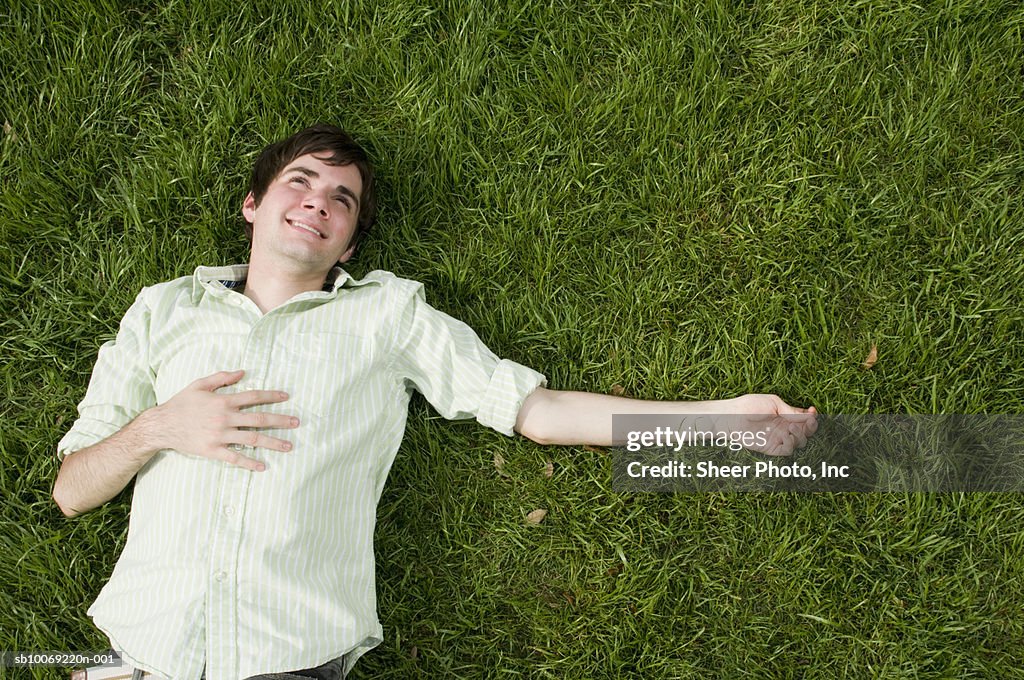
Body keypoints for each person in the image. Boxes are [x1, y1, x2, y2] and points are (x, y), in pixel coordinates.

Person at [53, 124, 817, 680]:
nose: (318, 203)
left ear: (349, 245)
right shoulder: (163, 311)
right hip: (135, 651)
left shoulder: (388, 317)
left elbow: (535, 411)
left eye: (341, 200)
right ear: (253, 204)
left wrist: (720, 421)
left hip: (284, 657)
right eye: (300, 182)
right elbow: (71, 492)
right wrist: (158, 427)